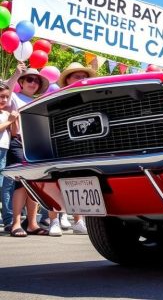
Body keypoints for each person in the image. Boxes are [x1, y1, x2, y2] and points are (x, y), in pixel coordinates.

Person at [44, 62, 97, 236]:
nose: (82, 79)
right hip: (61, 145)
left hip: (83, 146)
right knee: (56, 182)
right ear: (67, 80)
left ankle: (79, 221)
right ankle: (53, 221)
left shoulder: (91, 97)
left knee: (81, 182)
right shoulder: (57, 97)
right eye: (77, 76)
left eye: (84, 76)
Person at [7, 67, 51, 236]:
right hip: (18, 143)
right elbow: (7, 90)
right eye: (29, 79)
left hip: (36, 146)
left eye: (37, 80)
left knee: (34, 184)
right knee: (21, 183)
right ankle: (16, 223)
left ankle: (32, 224)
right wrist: (16, 73)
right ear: (22, 83)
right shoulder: (14, 97)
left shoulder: (38, 101)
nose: (33, 83)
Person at [0, 82, 19, 230]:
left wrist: (15, 120)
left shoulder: (6, 114)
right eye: (1, 97)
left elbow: (13, 133)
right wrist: (9, 121)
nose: (4, 100)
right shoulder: (5, 117)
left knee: (6, 185)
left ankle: (8, 219)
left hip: (4, 151)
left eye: (6, 97)